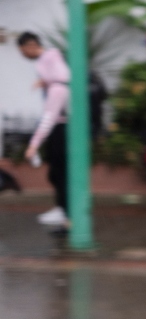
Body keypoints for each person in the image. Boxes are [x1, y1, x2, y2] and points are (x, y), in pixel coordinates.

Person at [17, 32, 71, 227]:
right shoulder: (55, 73)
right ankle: (63, 210)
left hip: (60, 130)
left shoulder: (58, 88)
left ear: (31, 46)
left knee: (59, 174)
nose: (24, 55)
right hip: (60, 129)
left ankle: (67, 214)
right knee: (56, 173)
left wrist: (33, 145)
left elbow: (49, 117)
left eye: (23, 51)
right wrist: (45, 82)